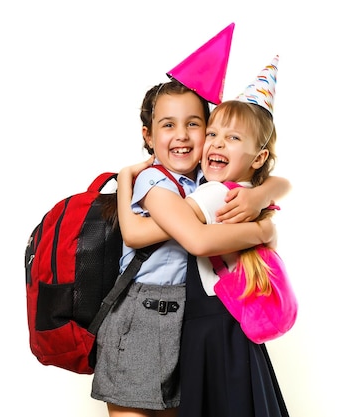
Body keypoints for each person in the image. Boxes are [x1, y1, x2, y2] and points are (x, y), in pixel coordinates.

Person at [91, 77, 290, 417]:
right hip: (140, 317)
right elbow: (149, 236)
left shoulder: (205, 177)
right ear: (149, 137)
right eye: (168, 125)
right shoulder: (154, 181)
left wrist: (260, 195)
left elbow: (280, 181)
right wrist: (261, 230)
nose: (182, 135)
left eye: (195, 125)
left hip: (185, 318)